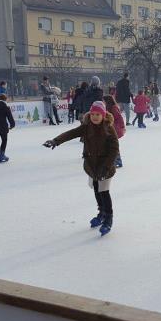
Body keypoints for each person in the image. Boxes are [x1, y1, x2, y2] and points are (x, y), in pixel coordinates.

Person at [44, 101, 120, 236]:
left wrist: (106, 167)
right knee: (96, 189)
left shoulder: (109, 128)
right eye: (93, 114)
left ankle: (108, 218)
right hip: (92, 165)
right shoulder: (86, 127)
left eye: (98, 114)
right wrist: (56, 140)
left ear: (103, 115)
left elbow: (114, 149)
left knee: (104, 191)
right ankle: (101, 213)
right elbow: (71, 133)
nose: (95, 117)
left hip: (105, 166)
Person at [104, 95, 125, 168]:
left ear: (108, 101)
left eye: (104, 101)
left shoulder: (113, 108)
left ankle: (117, 161)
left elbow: (119, 117)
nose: (103, 102)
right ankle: (116, 161)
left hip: (115, 129)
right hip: (111, 129)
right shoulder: (108, 108)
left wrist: (122, 127)